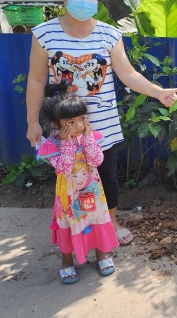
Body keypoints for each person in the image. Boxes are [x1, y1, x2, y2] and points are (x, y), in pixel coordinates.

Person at [26, 0, 177, 247]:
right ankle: (76, 225)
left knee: (107, 176)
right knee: (70, 178)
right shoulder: (44, 34)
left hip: (102, 125)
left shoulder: (109, 34)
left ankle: (110, 222)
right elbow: (36, 80)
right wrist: (32, 122)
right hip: (65, 126)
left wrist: (158, 92)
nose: (84, 1)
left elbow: (128, 74)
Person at [37, 81, 119, 284]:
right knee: (68, 224)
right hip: (68, 198)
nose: (79, 126)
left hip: (93, 191)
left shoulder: (90, 137)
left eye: (82, 118)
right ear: (56, 124)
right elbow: (64, 169)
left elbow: (96, 161)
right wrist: (66, 143)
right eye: (70, 122)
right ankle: (66, 261)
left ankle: (101, 254)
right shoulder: (52, 146)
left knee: (96, 220)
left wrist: (89, 138)